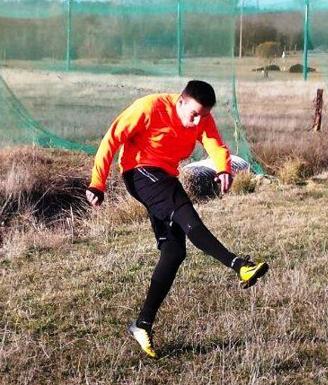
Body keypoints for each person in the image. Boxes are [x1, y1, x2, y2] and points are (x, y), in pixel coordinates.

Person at [85, 80, 269, 359]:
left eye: (203, 115)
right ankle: (239, 265)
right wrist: (97, 183)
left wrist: (223, 168)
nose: (197, 121)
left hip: (165, 176)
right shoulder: (149, 108)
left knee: (174, 252)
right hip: (140, 172)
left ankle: (142, 325)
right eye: (193, 114)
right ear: (180, 102)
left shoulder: (202, 119)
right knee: (187, 215)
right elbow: (112, 139)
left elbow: (214, 144)